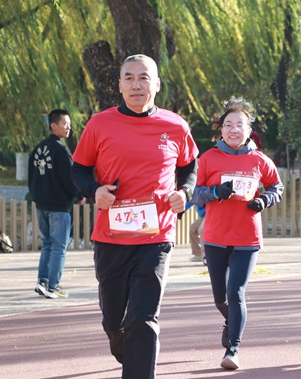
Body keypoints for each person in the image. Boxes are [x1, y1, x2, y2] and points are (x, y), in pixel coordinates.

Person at [70, 54, 198, 379]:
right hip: (111, 237)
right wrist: (94, 189)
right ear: (120, 86)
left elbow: (190, 167)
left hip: (156, 237)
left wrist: (185, 193)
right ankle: (128, 352)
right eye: (129, 78)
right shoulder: (100, 124)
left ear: (156, 84)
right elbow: (80, 168)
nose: (136, 84)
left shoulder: (176, 126)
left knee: (142, 318)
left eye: (143, 78)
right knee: (114, 322)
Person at [191, 96, 283, 370]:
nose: (233, 129)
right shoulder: (207, 159)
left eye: (239, 125)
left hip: (247, 238)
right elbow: (193, 193)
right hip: (216, 237)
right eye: (228, 124)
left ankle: (233, 349)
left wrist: (263, 200)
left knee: (236, 293)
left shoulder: (260, 160)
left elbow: (276, 187)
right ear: (220, 129)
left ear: (247, 130)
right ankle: (230, 321)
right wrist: (215, 193)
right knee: (220, 298)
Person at [29, 109, 86, 299]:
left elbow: (31, 177)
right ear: (54, 126)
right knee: (59, 247)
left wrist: (35, 196)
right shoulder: (61, 150)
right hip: (58, 207)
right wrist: (79, 194)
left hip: (41, 205)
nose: (69, 127)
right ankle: (53, 285)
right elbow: (69, 177)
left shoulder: (38, 149)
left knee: (47, 243)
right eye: (65, 124)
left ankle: (42, 281)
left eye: (69, 124)